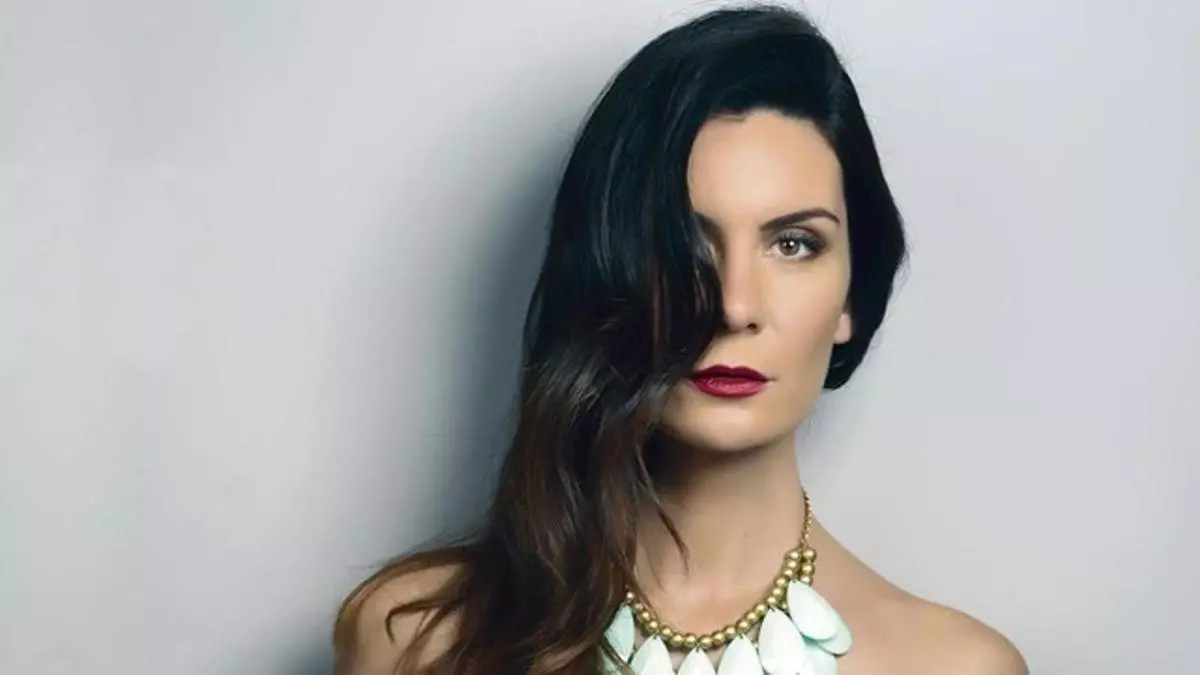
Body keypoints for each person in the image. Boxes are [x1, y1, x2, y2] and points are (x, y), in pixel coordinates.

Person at [333, 5, 1027, 674]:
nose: (733, 305)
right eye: (685, 243)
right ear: (608, 272)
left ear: (851, 295)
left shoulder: (957, 667)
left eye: (793, 243)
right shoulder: (413, 640)